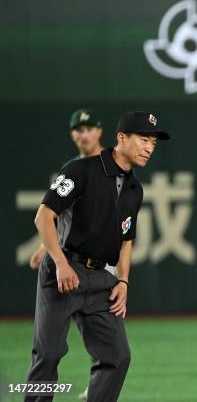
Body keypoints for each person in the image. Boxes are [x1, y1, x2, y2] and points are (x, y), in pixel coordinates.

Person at [24, 111, 169, 402]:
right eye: (143, 140)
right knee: (49, 354)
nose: (149, 148)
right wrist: (61, 263)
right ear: (121, 138)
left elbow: (126, 240)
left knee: (117, 356)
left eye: (153, 142)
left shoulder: (134, 189)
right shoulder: (80, 170)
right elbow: (44, 217)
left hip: (100, 279)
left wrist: (123, 281)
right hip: (63, 273)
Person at [29, 108, 104, 270]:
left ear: (99, 132)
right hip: (75, 259)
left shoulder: (115, 164)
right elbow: (56, 216)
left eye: (89, 129)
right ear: (72, 134)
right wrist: (44, 247)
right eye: (79, 130)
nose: (84, 135)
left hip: (106, 256)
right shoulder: (70, 169)